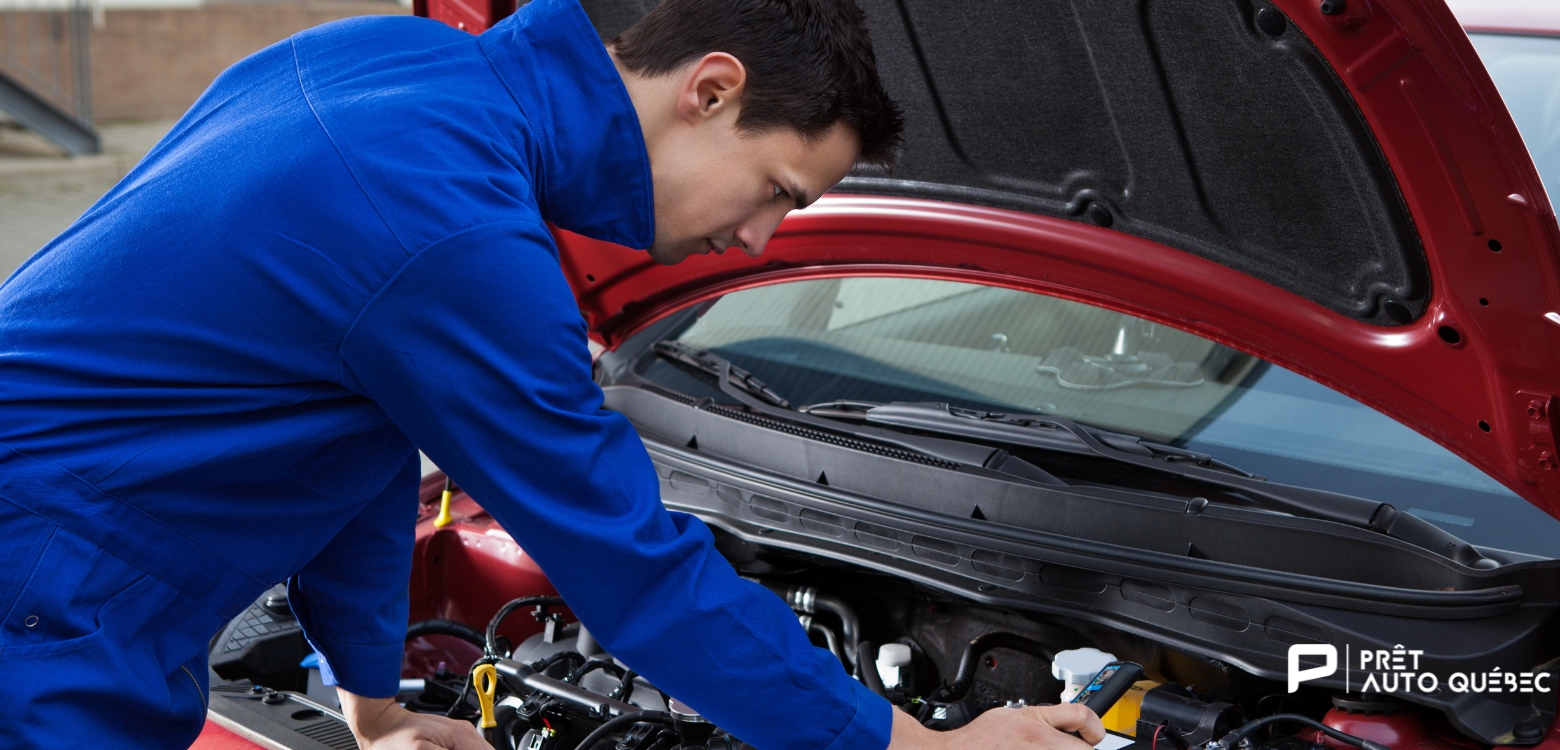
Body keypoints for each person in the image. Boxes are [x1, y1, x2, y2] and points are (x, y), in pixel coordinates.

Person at [0, 0, 1107, 748]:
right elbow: (636, 574)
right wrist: (907, 742)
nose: (763, 241)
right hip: (37, 612)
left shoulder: (379, 63)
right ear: (709, 92)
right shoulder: (455, 230)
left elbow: (357, 442)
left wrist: (373, 702)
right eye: (776, 189)